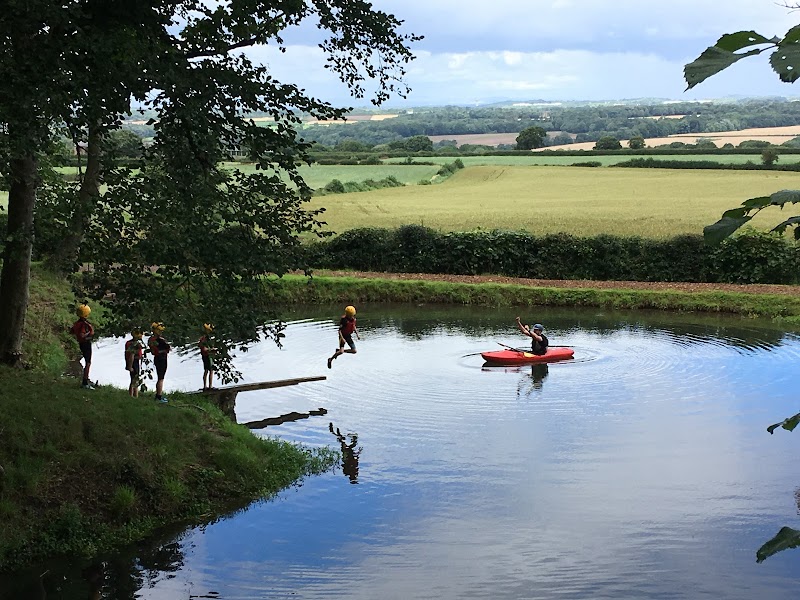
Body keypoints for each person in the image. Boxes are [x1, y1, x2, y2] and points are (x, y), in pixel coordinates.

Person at [70, 303, 95, 389]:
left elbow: (72, 331)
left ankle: (86, 379)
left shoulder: (77, 323)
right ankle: (85, 382)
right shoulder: (84, 324)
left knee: (87, 361)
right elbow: (82, 335)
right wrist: (90, 332)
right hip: (86, 344)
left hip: (81, 343)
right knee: (88, 362)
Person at [148, 322, 171, 403]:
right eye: (160, 331)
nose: (161, 332)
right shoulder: (159, 340)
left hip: (157, 359)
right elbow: (165, 349)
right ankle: (159, 397)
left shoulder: (150, 339)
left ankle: (158, 395)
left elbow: (152, 351)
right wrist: (165, 349)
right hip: (161, 359)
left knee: (160, 377)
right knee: (161, 378)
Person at [125, 328, 145, 397]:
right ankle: (134, 396)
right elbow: (132, 355)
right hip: (134, 362)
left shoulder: (129, 343)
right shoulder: (135, 344)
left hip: (132, 361)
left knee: (133, 379)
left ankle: (133, 395)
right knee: (135, 379)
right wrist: (130, 366)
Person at [199, 323, 216, 390]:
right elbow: (204, 349)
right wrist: (212, 350)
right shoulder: (204, 339)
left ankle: (205, 386)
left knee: (206, 371)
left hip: (206, 356)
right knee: (210, 371)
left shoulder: (204, 339)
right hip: (207, 356)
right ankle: (209, 386)